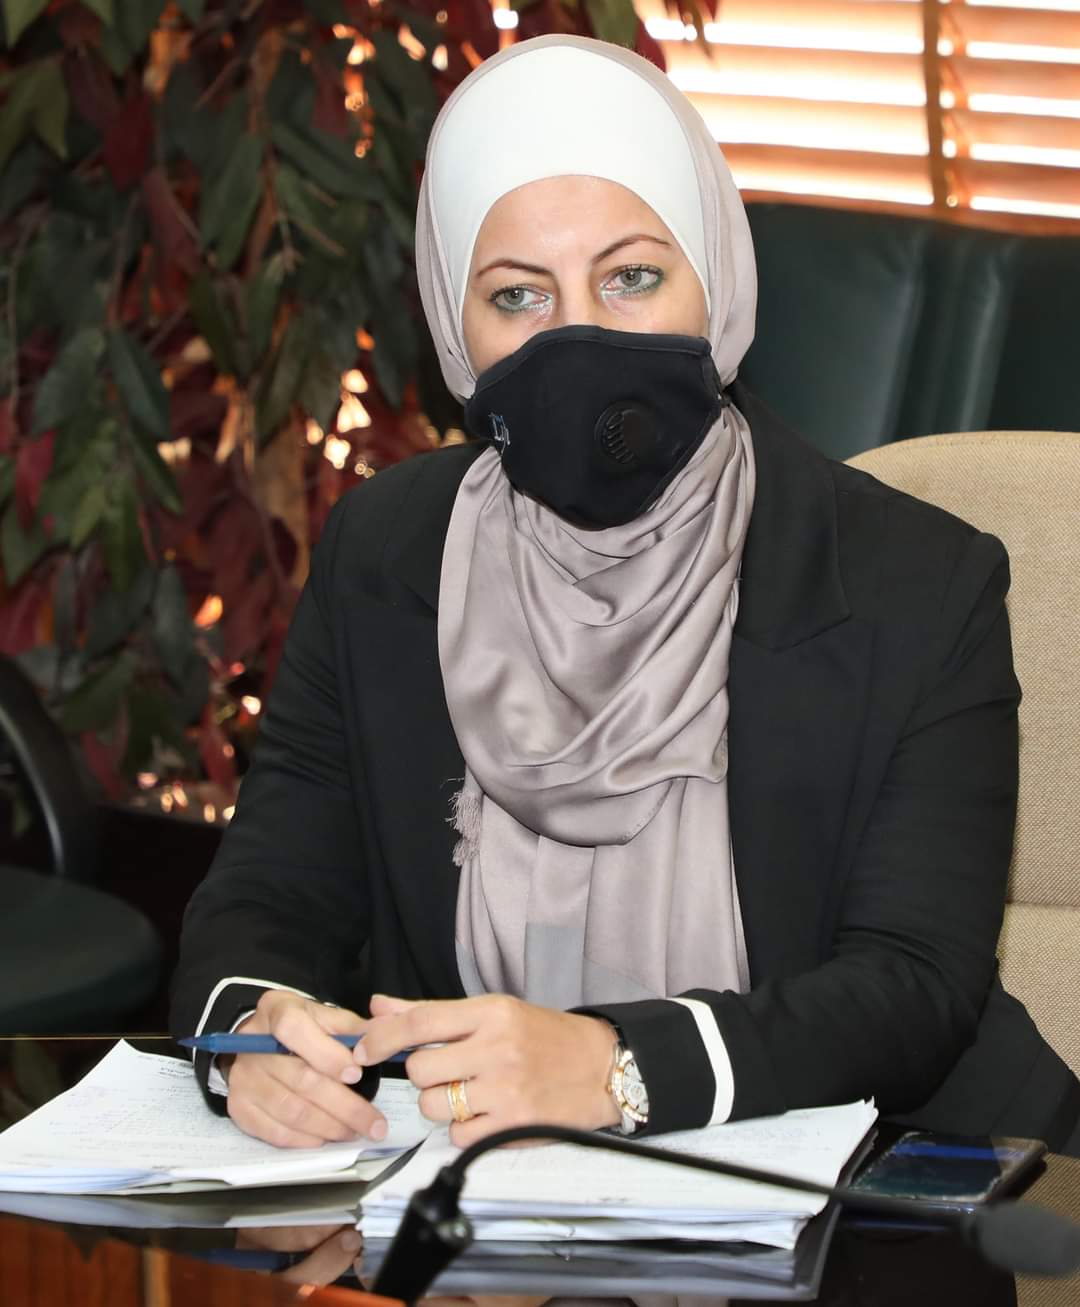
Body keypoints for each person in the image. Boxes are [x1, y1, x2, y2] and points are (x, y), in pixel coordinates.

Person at [170, 35, 1080, 1157]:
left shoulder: (919, 580)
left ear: (716, 281)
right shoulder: (386, 551)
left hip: (890, 1180)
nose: (579, 337)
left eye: (633, 277)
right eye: (517, 295)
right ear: (455, 327)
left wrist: (616, 1064)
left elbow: (911, 989)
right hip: (481, 1192)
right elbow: (269, 890)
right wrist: (256, 1033)